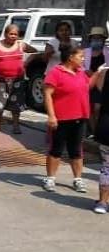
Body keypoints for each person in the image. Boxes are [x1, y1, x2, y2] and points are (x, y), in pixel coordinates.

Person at [43, 47, 89, 194]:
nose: (83, 59)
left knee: (76, 150)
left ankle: (78, 179)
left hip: (80, 117)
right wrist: (51, 116)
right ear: (70, 57)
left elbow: (88, 86)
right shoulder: (56, 72)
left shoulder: (81, 73)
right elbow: (47, 94)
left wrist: (101, 73)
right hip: (61, 118)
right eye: (81, 56)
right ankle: (50, 178)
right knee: (56, 149)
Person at [0, 24, 38, 134]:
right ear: (5, 34)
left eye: (15, 34)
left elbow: (35, 51)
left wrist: (26, 63)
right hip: (0, 79)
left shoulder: (21, 45)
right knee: (0, 102)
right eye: (11, 34)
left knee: (17, 103)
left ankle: (16, 125)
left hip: (17, 79)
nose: (13, 36)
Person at [89, 65, 109, 213]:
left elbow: (96, 106)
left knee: (107, 168)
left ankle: (102, 202)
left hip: (106, 126)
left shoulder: (105, 73)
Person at [84, 26, 109, 136]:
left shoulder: (107, 52)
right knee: (89, 109)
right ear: (90, 40)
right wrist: (88, 72)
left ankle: (99, 131)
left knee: (98, 108)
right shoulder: (85, 52)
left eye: (99, 38)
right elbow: (81, 67)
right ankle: (94, 132)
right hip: (87, 83)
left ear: (103, 40)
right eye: (94, 38)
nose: (97, 41)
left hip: (102, 84)